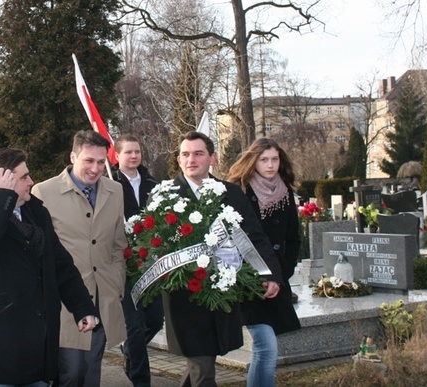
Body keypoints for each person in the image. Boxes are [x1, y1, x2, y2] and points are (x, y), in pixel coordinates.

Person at [0, 148, 97, 386]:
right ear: (2, 181)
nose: (31, 181)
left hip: (37, 346)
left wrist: (82, 307)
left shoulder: (37, 214)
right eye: (23, 177)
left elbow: (61, 265)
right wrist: (0, 199)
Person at [167, 131, 283, 387]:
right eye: (185, 154)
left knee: (203, 361)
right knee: (203, 366)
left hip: (223, 292)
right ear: (178, 160)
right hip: (185, 295)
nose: (191, 159)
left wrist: (270, 274)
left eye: (198, 153)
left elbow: (255, 236)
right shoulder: (165, 196)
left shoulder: (231, 193)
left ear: (213, 158)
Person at [32, 130, 127, 386]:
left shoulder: (115, 190)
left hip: (102, 296)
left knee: (90, 371)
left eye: (100, 161)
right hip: (65, 300)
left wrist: (116, 281)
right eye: (88, 160)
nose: (95, 168)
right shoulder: (43, 192)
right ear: (73, 156)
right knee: (70, 371)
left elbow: (119, 244)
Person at [227, 138, 301, 387]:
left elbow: (293, 238)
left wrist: (281, 275)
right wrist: (255, 276)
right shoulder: (239, 192)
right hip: (249, 282)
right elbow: (234, 238)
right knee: (265, 347)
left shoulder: (285, 191)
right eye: (264, 159)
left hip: (276, 281)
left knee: (266, 351)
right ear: (253, 161)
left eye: (275, 159)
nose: (270, 165)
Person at [110, 135, 164, 387]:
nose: (134, 156)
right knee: (134, 324)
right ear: (117, 156)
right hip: (123, 263)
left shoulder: (153, 183)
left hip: (150, 262)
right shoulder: (108, 183)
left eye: (137, 152)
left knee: (154, 320)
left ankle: (131, 351)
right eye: (128, 152)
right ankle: (141, 378)